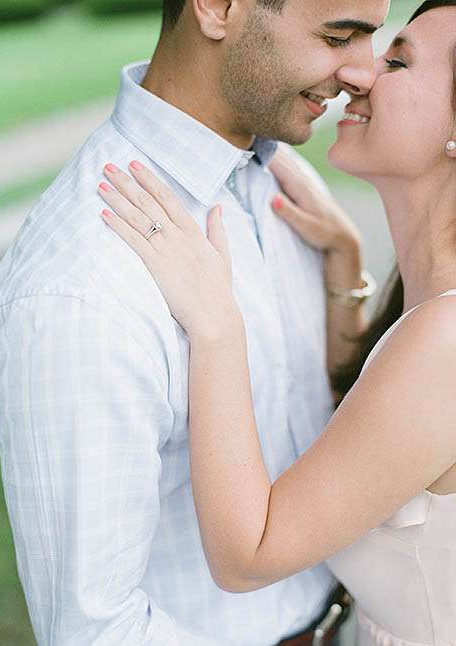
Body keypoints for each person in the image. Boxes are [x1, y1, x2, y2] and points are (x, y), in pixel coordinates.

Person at [0, 0, 390, 643]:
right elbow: (95, 631)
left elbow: (320, 421)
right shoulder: (79, 289)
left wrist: (346, 277)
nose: (364, 72)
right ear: (219, 8)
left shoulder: (279, 175)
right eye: (338, 36)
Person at [99, 2, 456, 643]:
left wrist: (215, 324)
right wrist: (346, 264)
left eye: (397, 60)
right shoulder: (430, 302)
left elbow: (250, 553)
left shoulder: (446, 340)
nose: (363, 73)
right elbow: (373, 436)